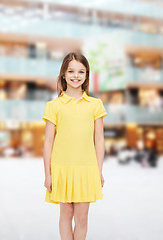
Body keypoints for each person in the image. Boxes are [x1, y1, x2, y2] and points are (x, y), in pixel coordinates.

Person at [42, 52, 107, 240]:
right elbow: (48, 142)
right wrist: (48, 174)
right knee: (65, 215)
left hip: (86, 169)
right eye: (71, 71)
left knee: (82, 217)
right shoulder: (53, 106)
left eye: (81, 71)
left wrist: (98, 170)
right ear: (63, 74)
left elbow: (100, 139)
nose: (75, 75)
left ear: (86, 75)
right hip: (61, 168)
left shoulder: (95, 104)